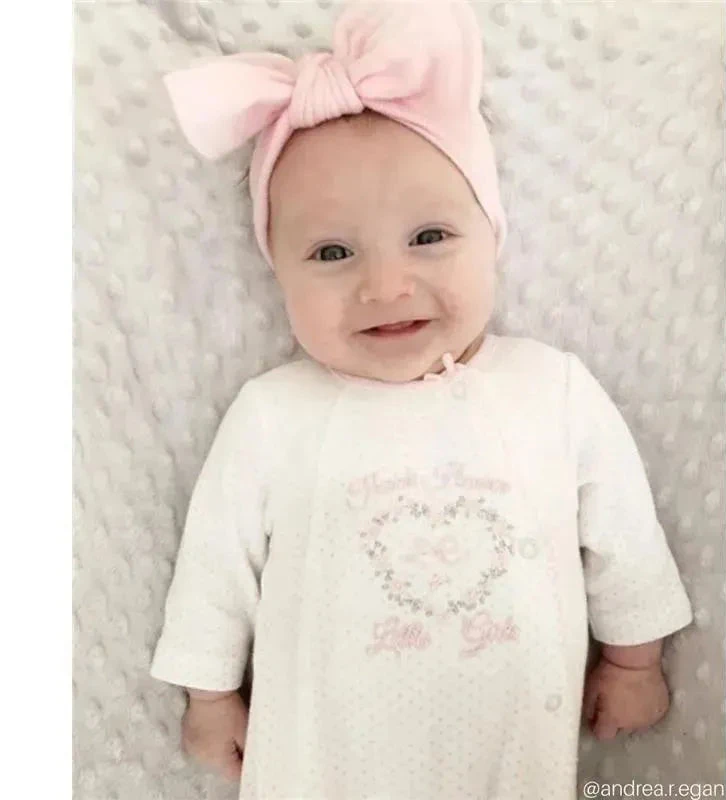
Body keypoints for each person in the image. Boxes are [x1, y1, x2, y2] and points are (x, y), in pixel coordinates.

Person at [149, 2, 693, 798]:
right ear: (278, 273)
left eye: (429, 238)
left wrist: (632, 660)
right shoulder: (275, 413)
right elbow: (216, 564)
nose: (385, 285)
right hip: (321, 759)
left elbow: (622, 532)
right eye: (332, 252)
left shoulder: (550, 388)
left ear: (492, 235)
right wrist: (210, 693)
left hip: (513, 755)